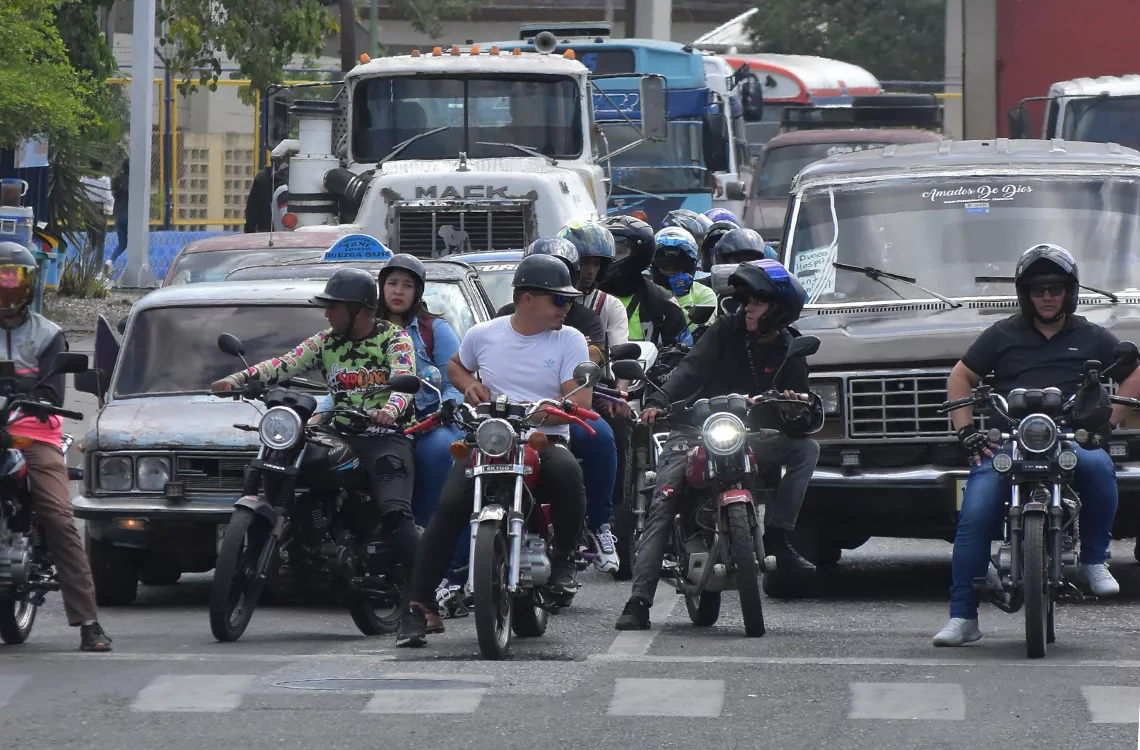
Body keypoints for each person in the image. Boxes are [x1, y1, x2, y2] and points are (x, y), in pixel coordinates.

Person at [933, 243, 1140, 647]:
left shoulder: (1093, 335)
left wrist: (1107, 423)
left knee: (1099, 467)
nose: (1047, 296)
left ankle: (1094, 560)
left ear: (1070, 292)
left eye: (1056, 288)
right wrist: (965, 431)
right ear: (1025, 294)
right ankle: (962, 617)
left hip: (1069, 436)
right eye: (1038, 289)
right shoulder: (1002, 334)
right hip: (1009, 439)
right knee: (973, 514)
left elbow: (1133, 375)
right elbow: (960, 378)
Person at [615, 258, 823, 630]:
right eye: (745, 302)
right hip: (693, 432)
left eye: (756, 303)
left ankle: (778, 536)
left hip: (750, 439)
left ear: (778, 310)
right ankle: (638, 600)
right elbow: (690, 367)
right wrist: (657, 402)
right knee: (663, 499)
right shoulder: (725, 331)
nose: (747, 310)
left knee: (806, 449)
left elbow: (803, 418)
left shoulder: (792, 350)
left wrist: (795, 410)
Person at [396, 254, 591, 647]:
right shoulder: (483, 334)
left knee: (568, 472)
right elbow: (454, 365)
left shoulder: (569, 338)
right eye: (559, 300)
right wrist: (468, 385)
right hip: (489, 436)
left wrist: (551, 407)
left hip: (541, 438)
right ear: (528, 299)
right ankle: (418, 607)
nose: (566, 308)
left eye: (568, 301)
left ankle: (565, 560)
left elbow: (580, 397)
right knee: (449, 505)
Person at [211, 268, 420, 583]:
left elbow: (404, 382)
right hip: (339, 433)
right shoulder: (327, 341)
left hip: (386, 437)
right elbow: (285, 363)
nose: (326, 313)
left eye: (333, 307)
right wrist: (236, 379)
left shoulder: (394, 337)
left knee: (395, 513)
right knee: (283, 461)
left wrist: (389, 410)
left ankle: (424, 597)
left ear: (359, 310)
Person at [0, 242, 112, 651]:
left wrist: (33, 400)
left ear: (29, 286)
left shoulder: (48, 334)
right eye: (0, 280)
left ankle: (88, 622)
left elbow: (51, 392)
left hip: (31, 430)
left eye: (13, 280)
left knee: (59, 517)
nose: (6, 288)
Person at [493, 238, 619, 573]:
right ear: (525, 295)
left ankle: (600, 524)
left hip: (569, 407)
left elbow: (590, 359)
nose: (559, 304)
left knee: (601, 438)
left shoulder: (584, 321)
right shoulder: (504, 320)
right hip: (514, 417)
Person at [597, 215, 690, 348]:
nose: (609, 258)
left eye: (617, 251)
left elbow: (683, 355)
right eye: (606, 251)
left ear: (639, 255)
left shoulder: (663, 304)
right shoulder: (580, 296)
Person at [558, 221, 629, 352]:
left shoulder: (610, 305)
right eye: (584, 262)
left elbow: (619, 354)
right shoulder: (544, 301)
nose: (591, 271)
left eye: (597, 263)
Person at [650, 227, 719, 323]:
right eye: (665, 266)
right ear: (655, 267)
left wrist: (683, 297)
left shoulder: (705, 294)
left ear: (689, 266)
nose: (671, 271)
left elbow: (696, 332)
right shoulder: (645, 292)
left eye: (677, 266)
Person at [81, 162, 113, 262]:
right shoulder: (105, 180)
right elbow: (108, 198)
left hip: (86, 211)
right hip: (99, 212)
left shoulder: (83, 179)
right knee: (100, 242)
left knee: (92, 241)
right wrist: (112, 201)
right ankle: (98, 271)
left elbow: (78, 195)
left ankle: (83, 262)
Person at [105, 159, 129, 277]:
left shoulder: (117, 180)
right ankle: (129, 268)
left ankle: (110, 260)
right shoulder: (133, 181)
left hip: (118, 214)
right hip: (130, 215)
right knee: (134, 243)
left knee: (122, 243)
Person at [712, 227, 778, 267]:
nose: (745, 267)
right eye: (740, 262)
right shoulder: (708, 287)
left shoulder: (767, 287)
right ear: (722, 261)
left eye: (751, 262)